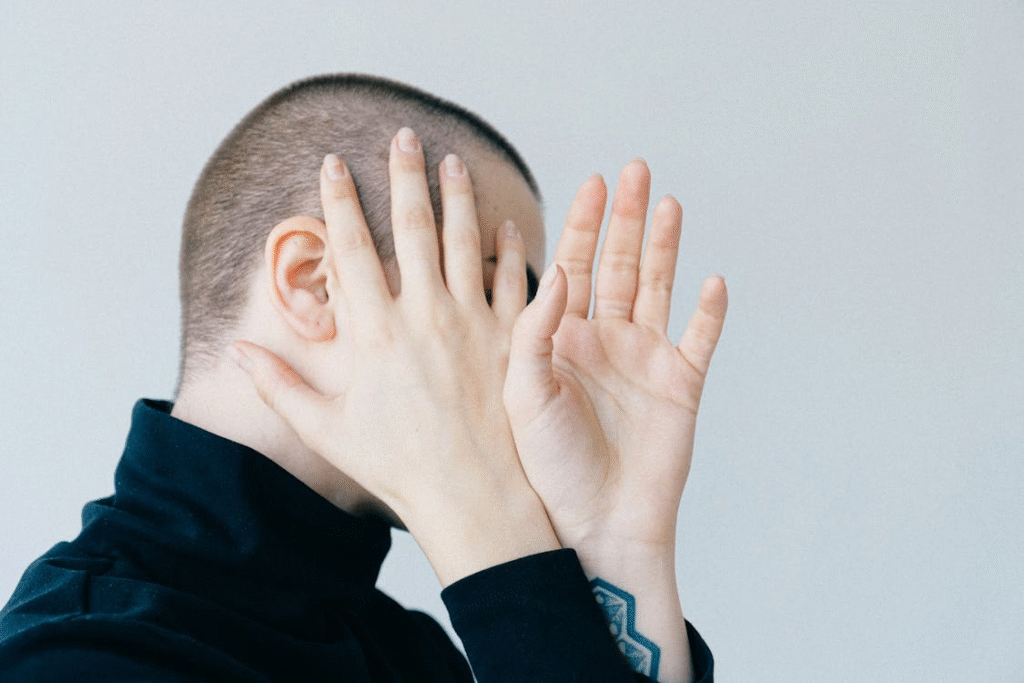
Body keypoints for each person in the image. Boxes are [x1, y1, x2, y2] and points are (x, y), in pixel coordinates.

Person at [0, 74, 726, 682]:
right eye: (490, 295)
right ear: (315, 281)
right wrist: (477, 507)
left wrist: (620, 546)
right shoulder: (76, 656)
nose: (530, 358)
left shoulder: (415, 657)